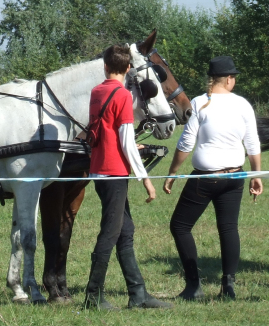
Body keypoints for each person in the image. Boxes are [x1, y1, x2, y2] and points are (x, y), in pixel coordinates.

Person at [163, 56, 262, 301]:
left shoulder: (199, 102)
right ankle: (227, 287)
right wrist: (256, 175)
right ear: (228, 79)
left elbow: (186, 143)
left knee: (180, 226)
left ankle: (193, 286)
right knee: (228, 228)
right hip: (236, 175)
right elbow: (252, 143)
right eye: (234, 77)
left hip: (205, 178)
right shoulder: (243, 105)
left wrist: (173, 172)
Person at [83, 44, 171, 310]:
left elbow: (106, 130)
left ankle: (138, 294)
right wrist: (145, 179)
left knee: (126, 231)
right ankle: (92, 297)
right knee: (110, 233)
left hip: (99, 168)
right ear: (129, 69)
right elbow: (126, 142)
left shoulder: (96, 91)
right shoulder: (122, 96)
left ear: (106, 67)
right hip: (114, 172)